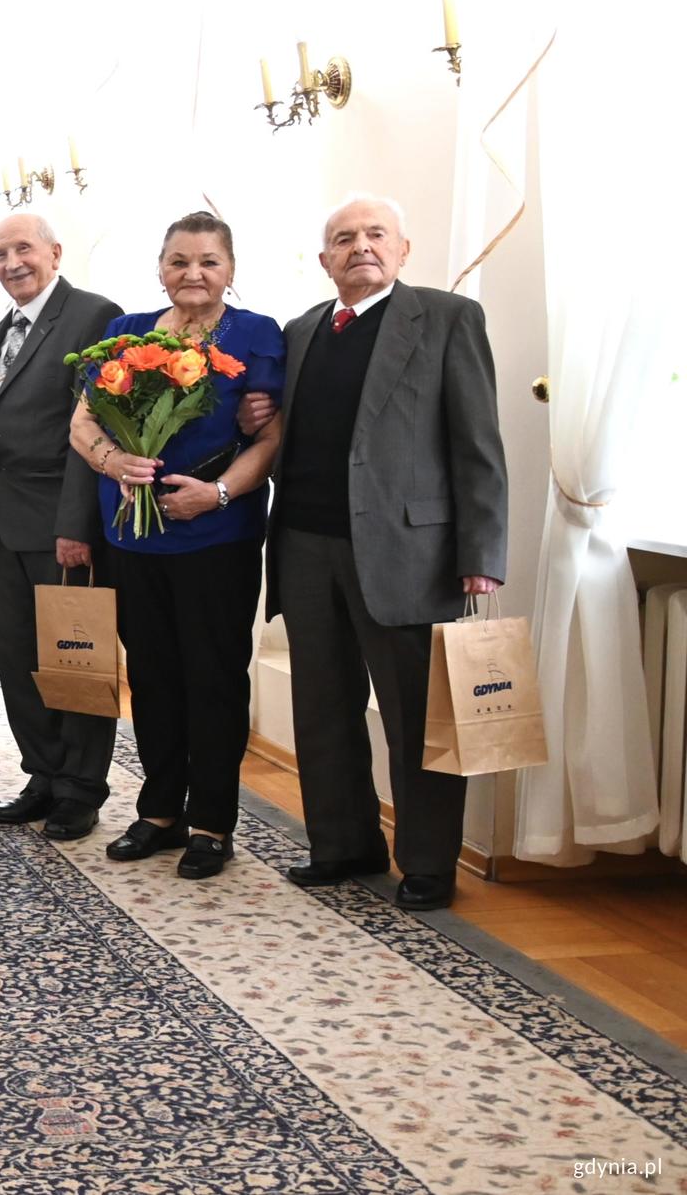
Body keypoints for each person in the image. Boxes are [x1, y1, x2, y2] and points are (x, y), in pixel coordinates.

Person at [243, 194, 507, 911]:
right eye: (343, 238)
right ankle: (342, 844)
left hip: (408, 554)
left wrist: (482, 550)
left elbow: (478, 445)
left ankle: (427, 862)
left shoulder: (448, 318)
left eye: (375, 234)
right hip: (304, 544)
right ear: (324, 259)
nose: (360, 245)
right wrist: (255, 414)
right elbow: (286, 428)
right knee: (322, 707)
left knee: (416, 718)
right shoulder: (301, 330)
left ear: (402, 248)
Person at [66, 214, 284, 879]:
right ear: (159, 268)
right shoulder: (124, 332)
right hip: (130, 536)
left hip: (216, 537)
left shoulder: (257, 334)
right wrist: (114, 463)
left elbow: (271, 437)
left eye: (209, 261)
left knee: (213, 678)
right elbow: (83, 421)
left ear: (230, 270)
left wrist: (215, 493)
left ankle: (212, 823)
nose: (194, 273)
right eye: (179, 261)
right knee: (152, 677)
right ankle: (160, 812)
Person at [0, 213, 124, 840]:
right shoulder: (3, 328)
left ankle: (80, 789)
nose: (12, 263)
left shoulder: (94, 316)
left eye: (23, 249)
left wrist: (76, 524)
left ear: (55, 252)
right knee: (18, 661)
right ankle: (42, 774)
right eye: (0, 254)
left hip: (60, 521)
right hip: (0, 524)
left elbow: (97, 430)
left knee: (75, 659)